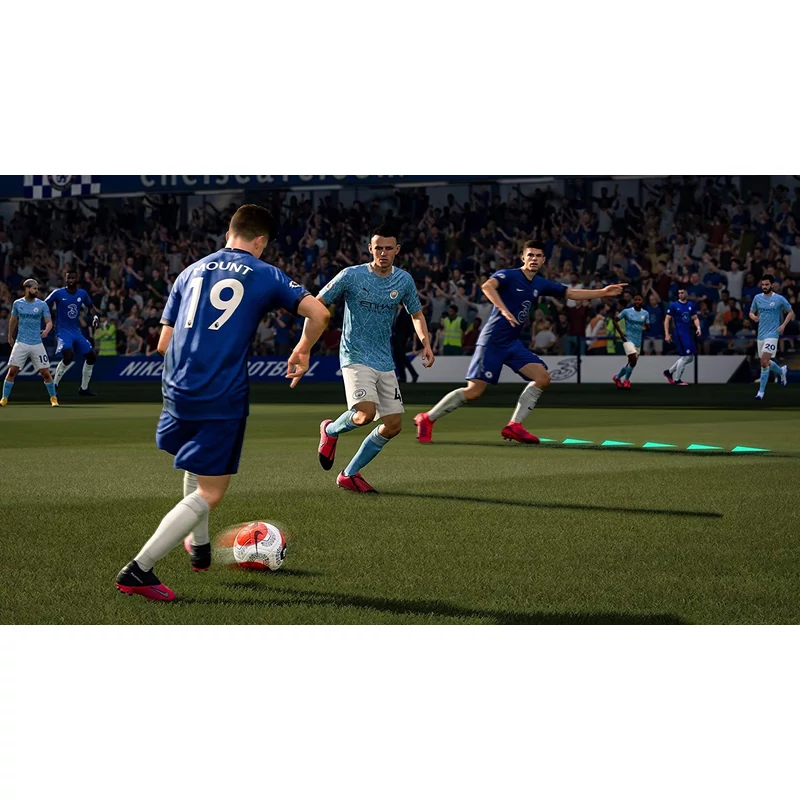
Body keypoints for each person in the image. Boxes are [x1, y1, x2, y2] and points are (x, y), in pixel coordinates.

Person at [114, 204, 329, 601]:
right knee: (211, 492)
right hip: (220, 393)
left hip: (176, 387)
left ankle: (199, 545)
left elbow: (163, 344)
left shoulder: (188, 272)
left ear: (230, 232)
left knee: (197, 464)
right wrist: (302, 349)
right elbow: (319, 313)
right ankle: (138, 570)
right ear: (260, 241)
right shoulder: (265, 273)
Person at [414, 241, 626, 445]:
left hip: (511, 343)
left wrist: (602, 292)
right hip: (492, 341)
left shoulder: (540, 283)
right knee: (474, 391)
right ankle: (427, 418)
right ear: (523, 257)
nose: (534, 258)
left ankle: (514, 425)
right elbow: (487, 286)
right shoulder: (509, 275)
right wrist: (504, 310)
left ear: (543, 260)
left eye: (538, 256)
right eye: (530, 255)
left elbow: (570, 293)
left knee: (542, 377)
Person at [314, 224, 435, 493]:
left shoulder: (403, 280)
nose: (383, 252)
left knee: (393, 426)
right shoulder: (351, 275)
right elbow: (317, 302)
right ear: (370, 248)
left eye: (388, 248)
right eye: (378, 247)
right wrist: (306, 341)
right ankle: (330, 431)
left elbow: (416, 314)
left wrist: (425, 343)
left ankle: (349, 474)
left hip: (384, 359)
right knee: (365, 415)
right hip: (354, 354)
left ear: (397, 250)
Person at [1, 279, 58, 407]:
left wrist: (46, 331)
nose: (37, 291)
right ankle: (4, 398)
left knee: (45, 373)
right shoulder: (17, 303)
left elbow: (49, 322)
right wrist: (10, 336)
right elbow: (13, 320)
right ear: (27, 289)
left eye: (37, 289)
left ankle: (53, 398)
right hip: (21, 342)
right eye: (34, 288)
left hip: (37, 343)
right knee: (12, 371)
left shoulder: (42, 305)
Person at [46, 267, 102, 397]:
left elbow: (90, 307)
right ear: (65, 279)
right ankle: (54, 386)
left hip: (76, 331)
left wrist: (95, 317)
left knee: (91, 357)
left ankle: (84, 388)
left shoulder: (82, 293)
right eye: (68, 278)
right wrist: (49, 321)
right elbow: (44, 305)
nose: (70, 280)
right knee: (68, 356)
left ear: (77, 279)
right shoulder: (58, 293)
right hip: (63, 332)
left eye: (72, 278)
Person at [749, 276, 794, 400]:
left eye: (767, 284)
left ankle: (761, 392)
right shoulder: (757, 298)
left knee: (764, 362)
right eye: (763, 285)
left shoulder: (779, 299)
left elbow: (790, 312)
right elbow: (751, 312)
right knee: (766, 362)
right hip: (761, 334)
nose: (764, 287)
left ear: (772, 285)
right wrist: (753, 317)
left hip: (773, 334)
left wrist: (783, 325)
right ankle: (781, 371)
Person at [663, 287, 702, 386]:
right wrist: (667, 334)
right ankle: (677, 380)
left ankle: (669, 372)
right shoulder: (674, 305)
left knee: (690, 358)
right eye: (679, 293)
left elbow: (695, 318)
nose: (680, 294)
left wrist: (698, 328)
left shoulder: (690, 305)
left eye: (682, 292)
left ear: (686, 293)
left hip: (688, 333)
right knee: (686, 357)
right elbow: (667, 320)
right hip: (679, 333)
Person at [611, 294, 649, 389]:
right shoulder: (626, 311)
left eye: (639, 300)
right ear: (633, 301)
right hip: (628, 339)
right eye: (635, 299)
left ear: (642, 301)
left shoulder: (645, 313)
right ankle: (626, 380)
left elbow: (647, 326)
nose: (637, 301)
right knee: (633, 359)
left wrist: (645, 327)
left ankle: (617, 377)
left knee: (632, 363)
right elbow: (614, 321)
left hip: (638, 341)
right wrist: (621, 334)